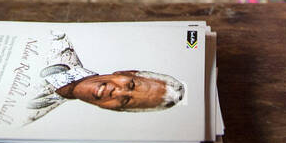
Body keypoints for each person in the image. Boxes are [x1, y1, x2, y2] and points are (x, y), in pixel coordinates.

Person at [25, 32, 184, 124]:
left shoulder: (27, 118)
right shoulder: (54, 38)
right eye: (131, 85)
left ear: (112, 109)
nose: (117, 93)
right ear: (127, 72)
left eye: (125, 101)